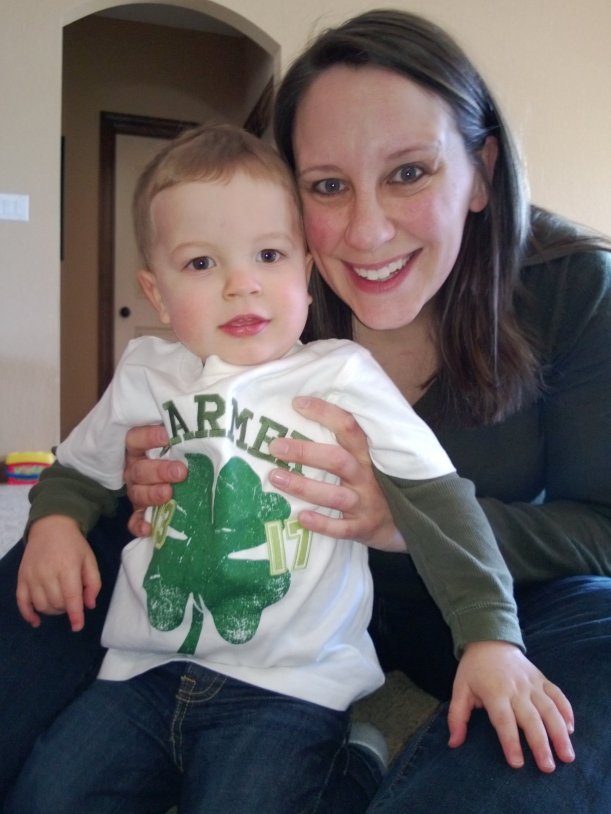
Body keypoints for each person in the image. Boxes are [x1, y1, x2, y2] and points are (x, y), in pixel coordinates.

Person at [0, 7, 608, 812]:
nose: (366, 230)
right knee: (48, 576)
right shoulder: (247, 309)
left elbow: (595, 528)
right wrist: (121, 481)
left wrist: (398, 522)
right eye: (326, 185)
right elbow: (89, 464)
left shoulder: (571, 286)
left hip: (477, 591)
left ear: (480, 171)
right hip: (235, 571)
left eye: (409, 172)